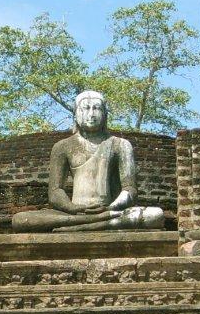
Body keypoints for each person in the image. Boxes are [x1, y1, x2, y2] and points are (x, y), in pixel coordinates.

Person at [11, 91, 165, 233]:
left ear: (105, 114)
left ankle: (89, 223)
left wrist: (110, 207)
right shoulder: (62, 146)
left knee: (155, 215)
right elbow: (55, 191)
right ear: (75, 114)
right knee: (20, 220)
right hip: (74, 212)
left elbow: (130, 189)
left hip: (110, 210)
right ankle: (93, 222)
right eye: (85, 108)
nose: (91, 114)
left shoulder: (121, 145)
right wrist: (72, 208)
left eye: (96, 108)